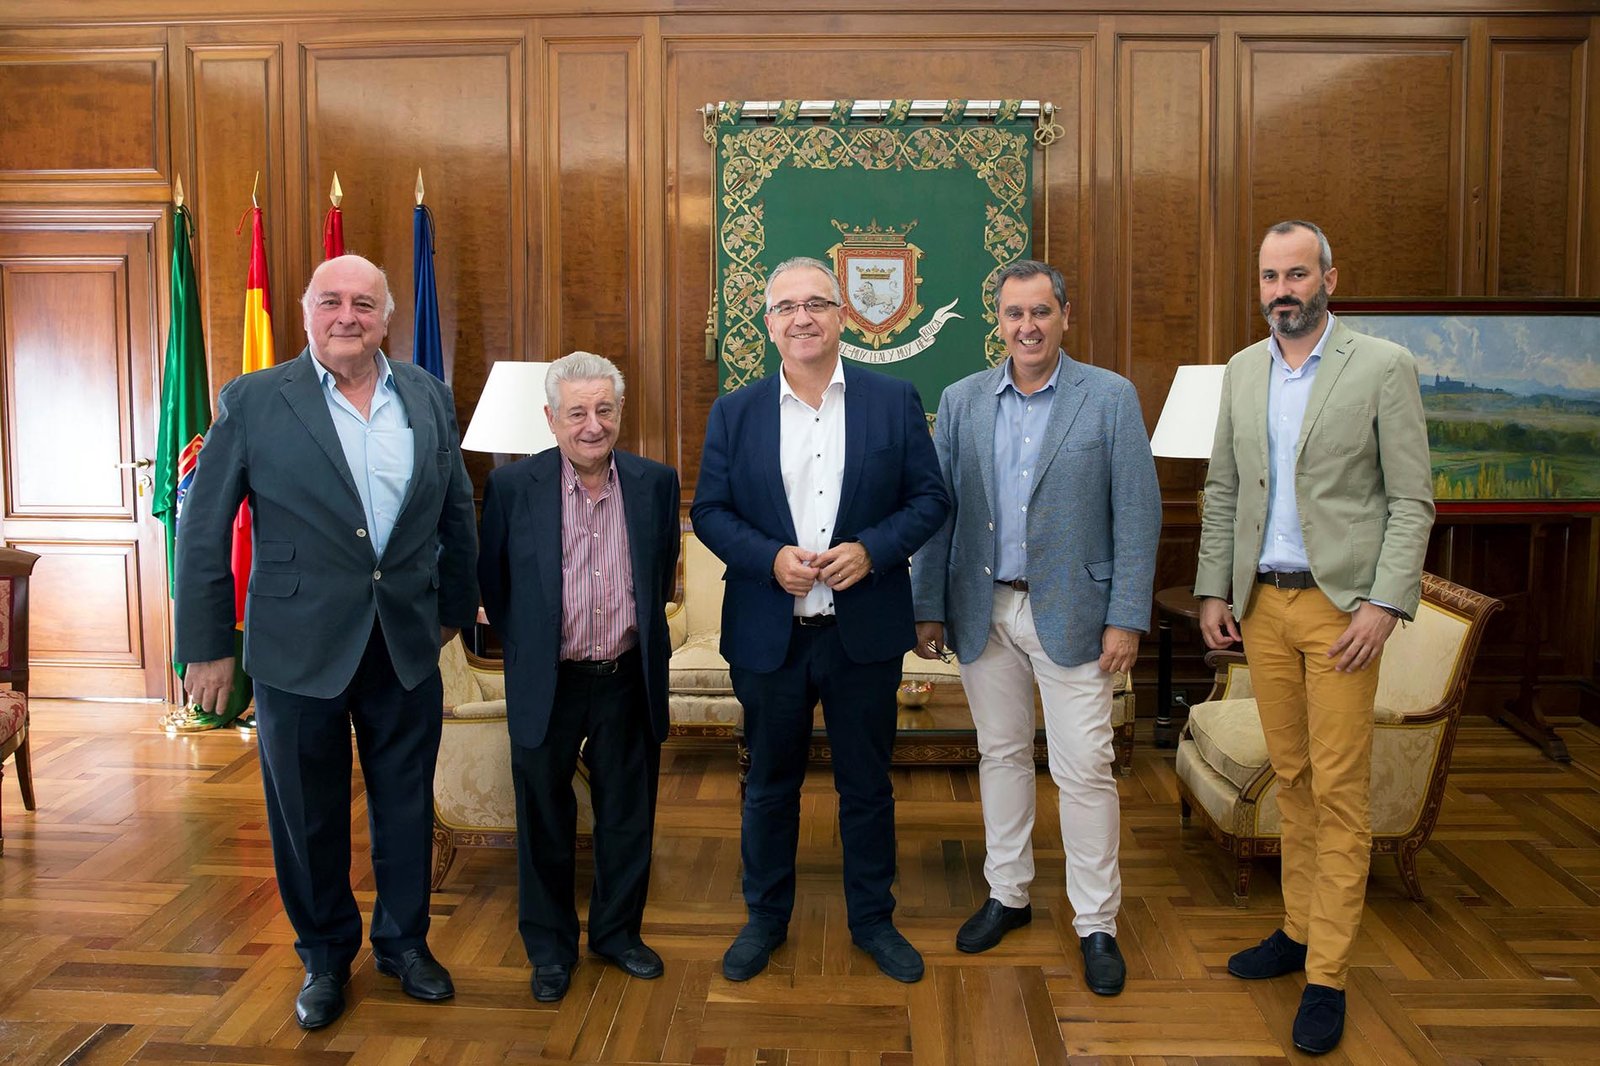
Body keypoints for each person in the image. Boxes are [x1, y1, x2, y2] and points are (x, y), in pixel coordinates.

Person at [174, 254, 478, 1030]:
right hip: (296, 644)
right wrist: (206, 645)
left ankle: (406, 945)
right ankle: (324, 957)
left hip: (404, 640)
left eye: (365, 304)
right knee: (306, 814)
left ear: (386, 318)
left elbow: (457, 511)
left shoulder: (427, 394)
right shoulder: (251, 399)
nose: (349, 315)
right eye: (332, 302)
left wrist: (454, 608)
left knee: (407, 803)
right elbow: (204, 529)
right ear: (307, 312)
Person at [1196, 220, 1435, 1055]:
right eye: (1269, 277)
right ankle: (1296, 931)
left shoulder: (1382, 367)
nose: (1282, 290)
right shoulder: (1241, 369)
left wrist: (1382, 604)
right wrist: (1213, 592)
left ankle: (1327, 974)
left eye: (1297, 274)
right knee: (1290, 777)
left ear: (1332, 277)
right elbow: (1223, 488)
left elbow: (1412, 501)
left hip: (1344, 614)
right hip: (1263, 607)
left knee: (1338, 791)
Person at [691, 256, 949, 984]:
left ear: (843, 316)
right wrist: (768, 558)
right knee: (769, 785)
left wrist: (872, 550)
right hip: (769, 635)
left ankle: (873, 920)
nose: (801, 317)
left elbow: (929, 500)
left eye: (816, 303)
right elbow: (709, 511)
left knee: (867, 787)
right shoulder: (735, 411)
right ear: (768, 324)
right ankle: (764, 919)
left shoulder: (893, 400)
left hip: (862, 632)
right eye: (785, 307)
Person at [910, 259, 1160, 996]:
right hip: (983, 609)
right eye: (1014, 314)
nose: (1028, 326)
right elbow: (939, 511)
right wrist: (928, 605)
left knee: (1084, 769)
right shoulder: (961, 401)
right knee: (1001, 757)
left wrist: (1127, 618)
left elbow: (1138, 515)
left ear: (1065, 316)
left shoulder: (1109, 398)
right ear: (999, 320)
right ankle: (1007, 895)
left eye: (1041, 312)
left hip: (1079, 614)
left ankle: (1096, 924)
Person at [477, 352, 680, 1004]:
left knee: (627, 817)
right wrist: (534, 645)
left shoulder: (656, 483)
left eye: (604, 410)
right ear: (551, 419)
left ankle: (618, 935)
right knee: (544, 820)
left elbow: (660, 577)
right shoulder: (514, 489)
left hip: (624, 677)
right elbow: (496, 586)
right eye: (577, 412)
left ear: (619, 413)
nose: (592, 425)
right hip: (549, 680)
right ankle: (550, 949)